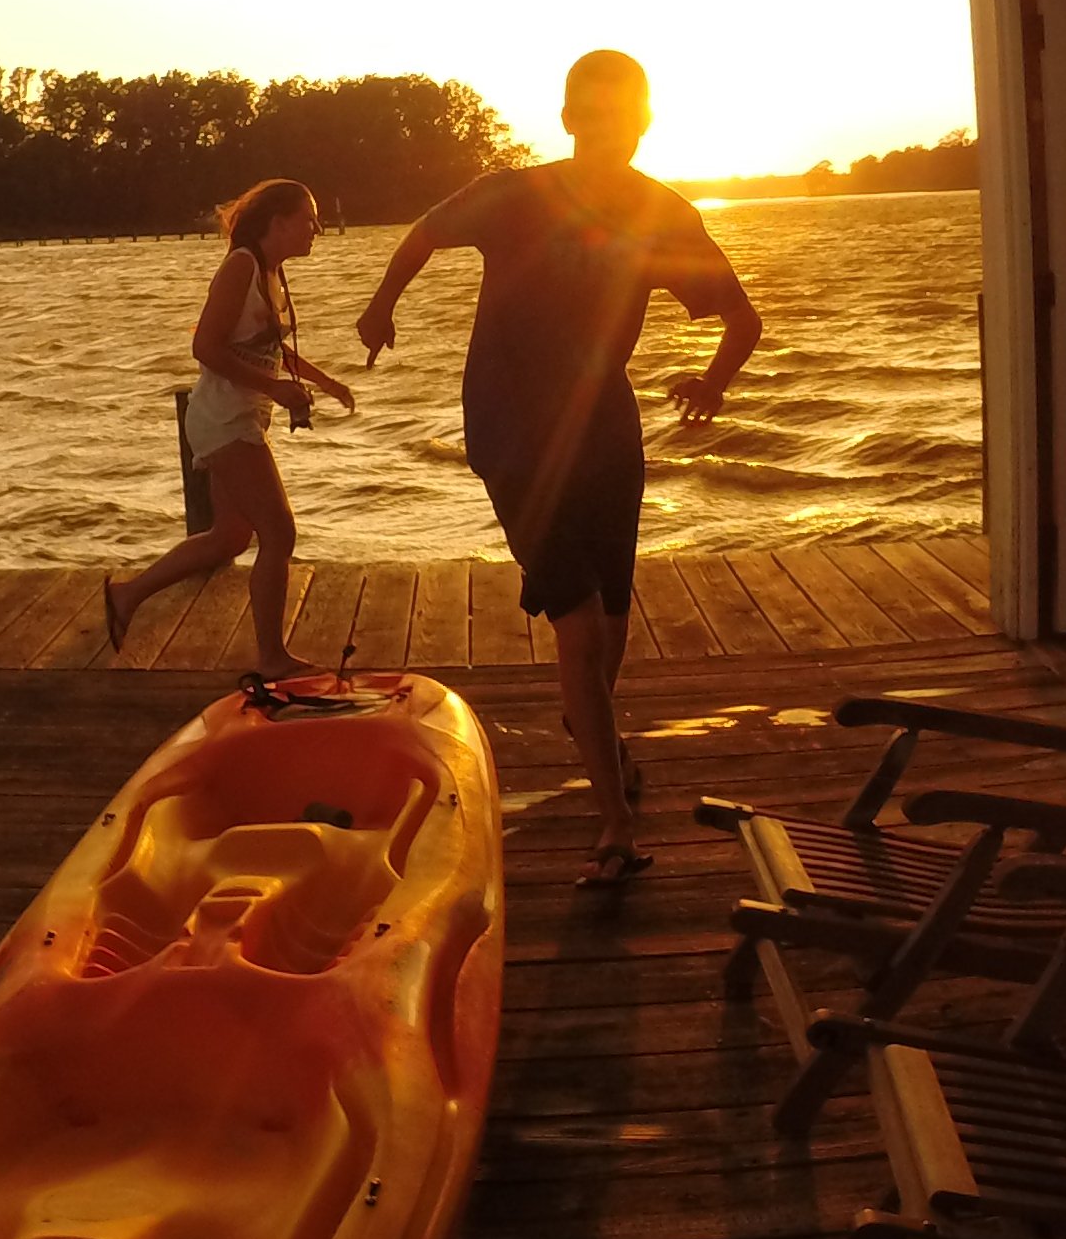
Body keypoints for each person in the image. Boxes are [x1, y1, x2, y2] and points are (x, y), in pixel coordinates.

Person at [356, 49, 760, 886]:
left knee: (611, 622)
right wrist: (379, 306)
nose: (609, 128)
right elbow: (424, 236)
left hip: (606, 428)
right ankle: (614, 820)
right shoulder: (513, 193)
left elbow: (742, 318)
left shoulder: (661, 214)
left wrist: (711, 383)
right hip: (515, 430)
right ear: (569, 117)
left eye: (626, 114)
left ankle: (598, 733)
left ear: (645, 122)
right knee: (578, 628)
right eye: (593, 112)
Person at [105, 178, 357, 680]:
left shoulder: (271, 270)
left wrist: (322, 381)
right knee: (279, 534)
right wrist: (278, 389)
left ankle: (125, 594)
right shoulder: (240, 266)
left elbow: (267, 345)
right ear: (278, 222)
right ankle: (271, 657)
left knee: (230, 536)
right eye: (308, 219)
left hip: (238, 417)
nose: (316, 229)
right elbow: (206, 347)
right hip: (222, 420)